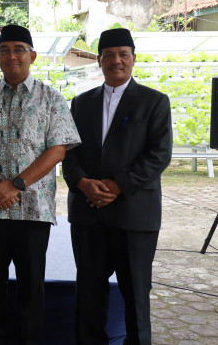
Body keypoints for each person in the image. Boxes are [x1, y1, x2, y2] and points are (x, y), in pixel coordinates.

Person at [0, 25, 80, 344]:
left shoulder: (52, 99)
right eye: (5, 50)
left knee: (31, 286)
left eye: (19, 49)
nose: (12, 55)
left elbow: (58, 148)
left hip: (33, 209)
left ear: (32, 55)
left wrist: (16, 185)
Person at [62, 28, 172, 345]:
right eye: (109, 55)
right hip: (88, 215)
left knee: (136, 296)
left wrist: (116, 185)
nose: (116, 61)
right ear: (99, 60)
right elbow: (68, 153)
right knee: (89, 295)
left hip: (134, 217)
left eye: (123, 54)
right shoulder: (81, 103)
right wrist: (83, 183)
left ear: (133, 59)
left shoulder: (154, 102)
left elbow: (159, 155)